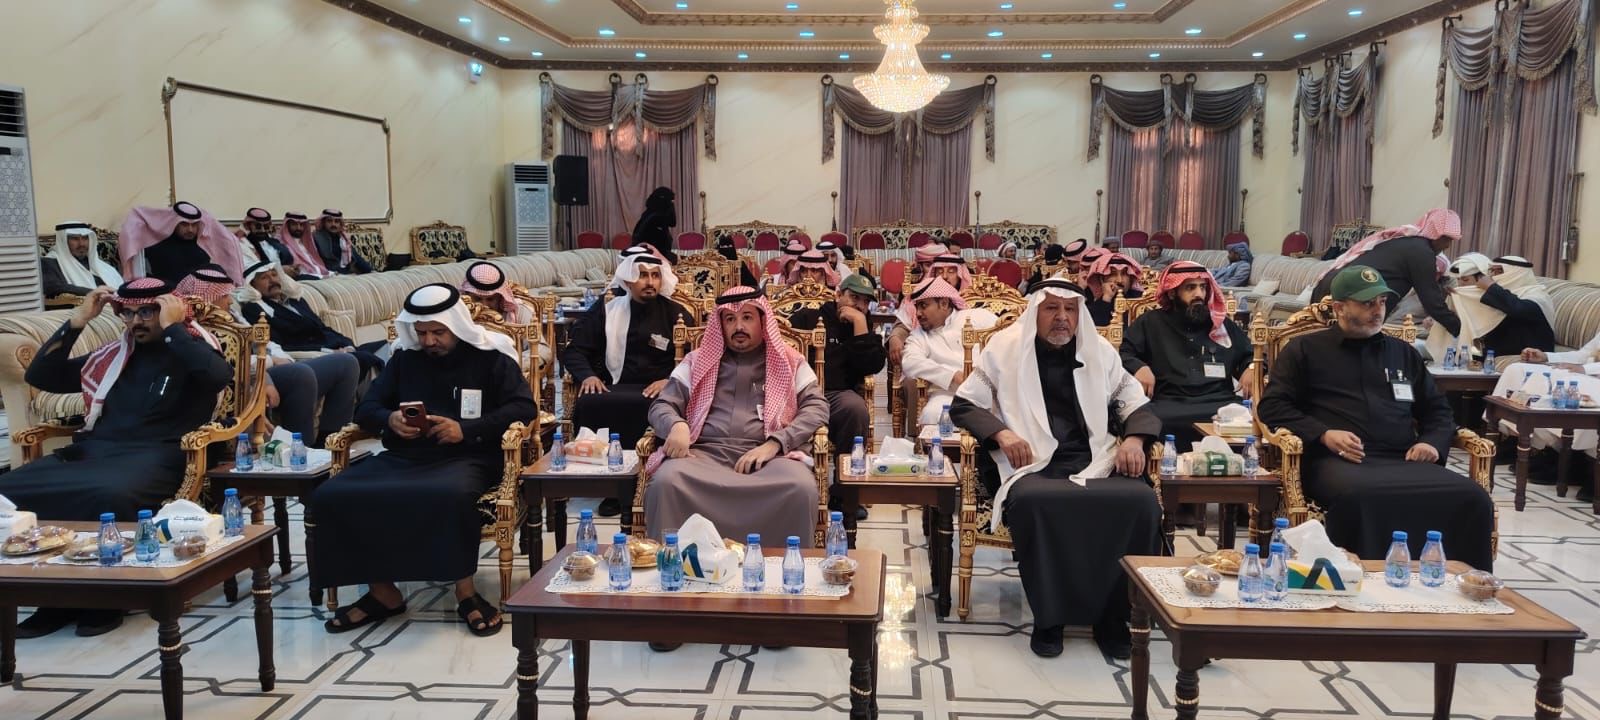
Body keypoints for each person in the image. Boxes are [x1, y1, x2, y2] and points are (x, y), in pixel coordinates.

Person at [3, 277, 231, 637]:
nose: (136, 321)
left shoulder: (191, 349)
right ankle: (53, 595)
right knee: (11, 489)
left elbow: (218, 376)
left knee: (108, 494)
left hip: (159, 455)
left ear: (168, 310)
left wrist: (173, 329)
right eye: (128, 313)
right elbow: (41, 375)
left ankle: (105, 599)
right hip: (96, 451)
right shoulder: (113, 357)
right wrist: (78, 320)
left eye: (147, 312)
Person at [950, 278, 1160, 659]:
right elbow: (964, 404)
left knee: (1140, 501)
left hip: (1095, 459)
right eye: (1051, 308)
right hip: (1031, 463)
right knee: (1035, 501)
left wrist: (1134, 440)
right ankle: (1050, 619)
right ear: (1035, 312)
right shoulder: (1005, 349)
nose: (1062, 317)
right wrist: (1002, 433)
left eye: (1070, 309)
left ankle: (1113, 618)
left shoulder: (1100, 352)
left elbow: (1136, 404)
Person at [310, 284, 532, 636]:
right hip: (405, 456)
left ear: (456, 326)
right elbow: (367, 407)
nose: (428, 341)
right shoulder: (404, 359)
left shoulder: (491, 357)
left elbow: (523, 408)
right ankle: (383, 593)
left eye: (438, 332)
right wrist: (389, 420)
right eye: (422, 332)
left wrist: (466, 429)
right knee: (333, 494)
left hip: (468, 457)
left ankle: (466, 593)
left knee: (449, 494)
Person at [1258, 265, 1494, 570]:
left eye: (1382, 301)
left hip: (1404, 460)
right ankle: (1361, 578)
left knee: (1473, 496)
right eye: (1367, 303)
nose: (1378, 310)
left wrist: (1432, 443)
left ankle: (1458, 581)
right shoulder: (1305, 349)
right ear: (1340, 308)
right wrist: (1323, 434)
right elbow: (1273, 406)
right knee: (1360, 496)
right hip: (1337, 462)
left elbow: (1437, 409)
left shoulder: (1403, 353)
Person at [644, 285, 828, 547]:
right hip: (703, 454)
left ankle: (782, 568)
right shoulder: (697, 360)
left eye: (747, 317)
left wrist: (776, 443)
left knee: (799, 488)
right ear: (721, 324)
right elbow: (662, 405)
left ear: (763, 320)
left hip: (772, 458)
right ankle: (677, 566)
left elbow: (817, 407)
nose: (738, 326)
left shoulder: (790, 360)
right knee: (667, 482)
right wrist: (676, 425)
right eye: (730, 319)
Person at [560, 247, 696, 516]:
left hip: (661, 388)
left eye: (655, 275)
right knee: (591, 402)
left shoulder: (676, 313)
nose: (650, 282)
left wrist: (669, 380)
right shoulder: (609, 311)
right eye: (642, 275)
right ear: (629, 280)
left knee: (653, 405)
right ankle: (612, 486)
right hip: (615, 384)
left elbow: (696, 358)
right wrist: (588, 375)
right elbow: (575, 350)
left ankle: (647, 479)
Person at [178, 265, 359, 447]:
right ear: (207, 299)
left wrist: (283, 359)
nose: (230, 301)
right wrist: (268, 370)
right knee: (300, 375)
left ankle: (331, 444)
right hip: (249, 378)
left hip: (268, 367)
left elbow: (265, 343)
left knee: (346, 363)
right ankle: (302, 450)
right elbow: (229, 362)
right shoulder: (195, 329)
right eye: (224, 296)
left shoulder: (230, 314)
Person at [1121, 262, 1254, 450]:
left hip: (1220, 404)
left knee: (1253, 420)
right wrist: (1139, 367)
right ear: (1172, 293)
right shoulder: (1151, 322)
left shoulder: (1220, 324)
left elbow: (1249, 355)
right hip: (1169, 404)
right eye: (1190, 288)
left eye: (1203, 287)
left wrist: (1251, 368)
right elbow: (1125, 353)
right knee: (1146, 422)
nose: (1199, 294)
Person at [1310, 209, 1462, 335]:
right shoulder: (1422, 252)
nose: (1447, 245)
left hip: (1330, 287)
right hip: (1349, 296)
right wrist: (1460, 329)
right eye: (1446, 239)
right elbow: (1431, 301)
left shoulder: (1406, 243)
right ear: (1434, 233)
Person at [788, 273, 886, 452]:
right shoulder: (810, 317)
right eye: (854, 297)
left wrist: (859, 325)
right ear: (838, 295)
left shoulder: (863, 325)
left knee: (856, 409)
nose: (860, 306)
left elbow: (872, 366)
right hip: (802, 393)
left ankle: (846, 468)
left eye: (865, 302)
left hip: (837, 396)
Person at [236, 261, 383, 378]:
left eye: (274, 275)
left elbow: (322, 328)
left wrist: (348, 345)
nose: (272, 280)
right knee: (366, 359)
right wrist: (329, 352)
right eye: (264, 278)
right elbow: (281, 346)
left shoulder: (296, 301)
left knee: (387, 346)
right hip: (314, 356)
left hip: (336, 348)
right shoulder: (255, 310)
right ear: (253, 285)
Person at [902, 277, 998, 427]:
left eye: (924, 306)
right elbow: (910, 362)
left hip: (992, 392)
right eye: (917, 307)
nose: (918, 313)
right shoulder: (919, 336)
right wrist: (952, 376)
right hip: (950, 395)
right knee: (933, 414)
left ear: (944, 303)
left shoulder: (977, 317)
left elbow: (1008, 338)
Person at [1426, 254, 1555, 364]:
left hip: (1529, 354)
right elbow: (1475, 326)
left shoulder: (1537, 295)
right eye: (1492, 271)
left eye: (1498, 271)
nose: (1493, 276)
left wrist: (1491, 287)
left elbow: (1518, 309)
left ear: (1516, 273)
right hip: (1493, 353)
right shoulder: (1500, 295)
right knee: (1454, 358)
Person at [120, 201, 244, 285]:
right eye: (184, 224)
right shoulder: (156, 246)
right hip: (171, 296)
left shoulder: (202, 245)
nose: (190, 230)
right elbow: (136, 221)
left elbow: (227, 241)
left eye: (194, 225)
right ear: (174, 223)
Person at [41, 222, 122, 297]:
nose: (81, 244)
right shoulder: (49, 262)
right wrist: (97, 293)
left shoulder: (100, 265)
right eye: (75, 239)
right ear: (63, 241)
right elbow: (55, 288)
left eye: (85, 238)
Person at [236, 208, 307, 279]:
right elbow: (252, 268)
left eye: (266, 227)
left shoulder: (273, 241)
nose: (263, 230)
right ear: (248, 226)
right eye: (258, 226)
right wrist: (280, 270)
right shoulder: (243, 244)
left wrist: (292, 268)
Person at [1083, 251, 1144, 326]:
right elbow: (1098, 329)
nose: (1119, 280)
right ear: (1102, 279)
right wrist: (1106, 299)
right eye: (1113, 274)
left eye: (1124, 274)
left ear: (1131, 278)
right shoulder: (1094, 306)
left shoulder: (1141, 301)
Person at [313, 209, 372, 275]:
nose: (333, 224)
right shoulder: (316, 238)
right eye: (329, 221)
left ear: (340, 224)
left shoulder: (343, 238)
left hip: (347, 273)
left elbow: (356, 257)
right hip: (330, 274)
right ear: (324, 223)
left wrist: (370, 271)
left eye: (336, 221)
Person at [631, 187, 679, 264]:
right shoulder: (655, 218)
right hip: (647, 257)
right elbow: (672, 222)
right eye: (671, 202)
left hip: (647, 255)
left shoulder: (648, 214)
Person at [279, 211, 333, 278]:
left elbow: (316, 265)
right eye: (294, 224)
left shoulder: (308, 242)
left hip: (320, 276)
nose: (298, 228)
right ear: (287, 225)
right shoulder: (280, 244)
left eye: (301, 225)